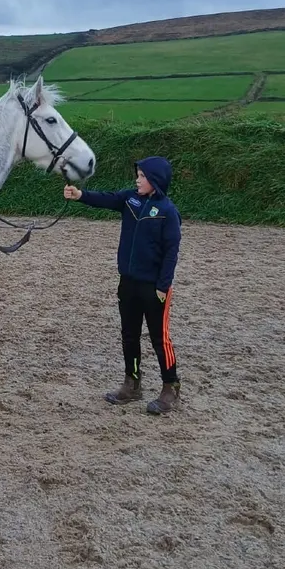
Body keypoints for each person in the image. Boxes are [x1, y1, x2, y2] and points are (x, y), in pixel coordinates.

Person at [64, 156, 182, 414]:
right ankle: (132, 382)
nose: (137, 180)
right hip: (128, 283)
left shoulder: (168, 212)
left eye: (142, 176)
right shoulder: (130, 199)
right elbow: (106, 199)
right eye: (138, 175)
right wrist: (80, 195)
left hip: (154, 287)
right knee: (129, 335)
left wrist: (163, 286)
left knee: (160, 338)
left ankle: (170, 387)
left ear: (155, 180)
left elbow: (171, 252)